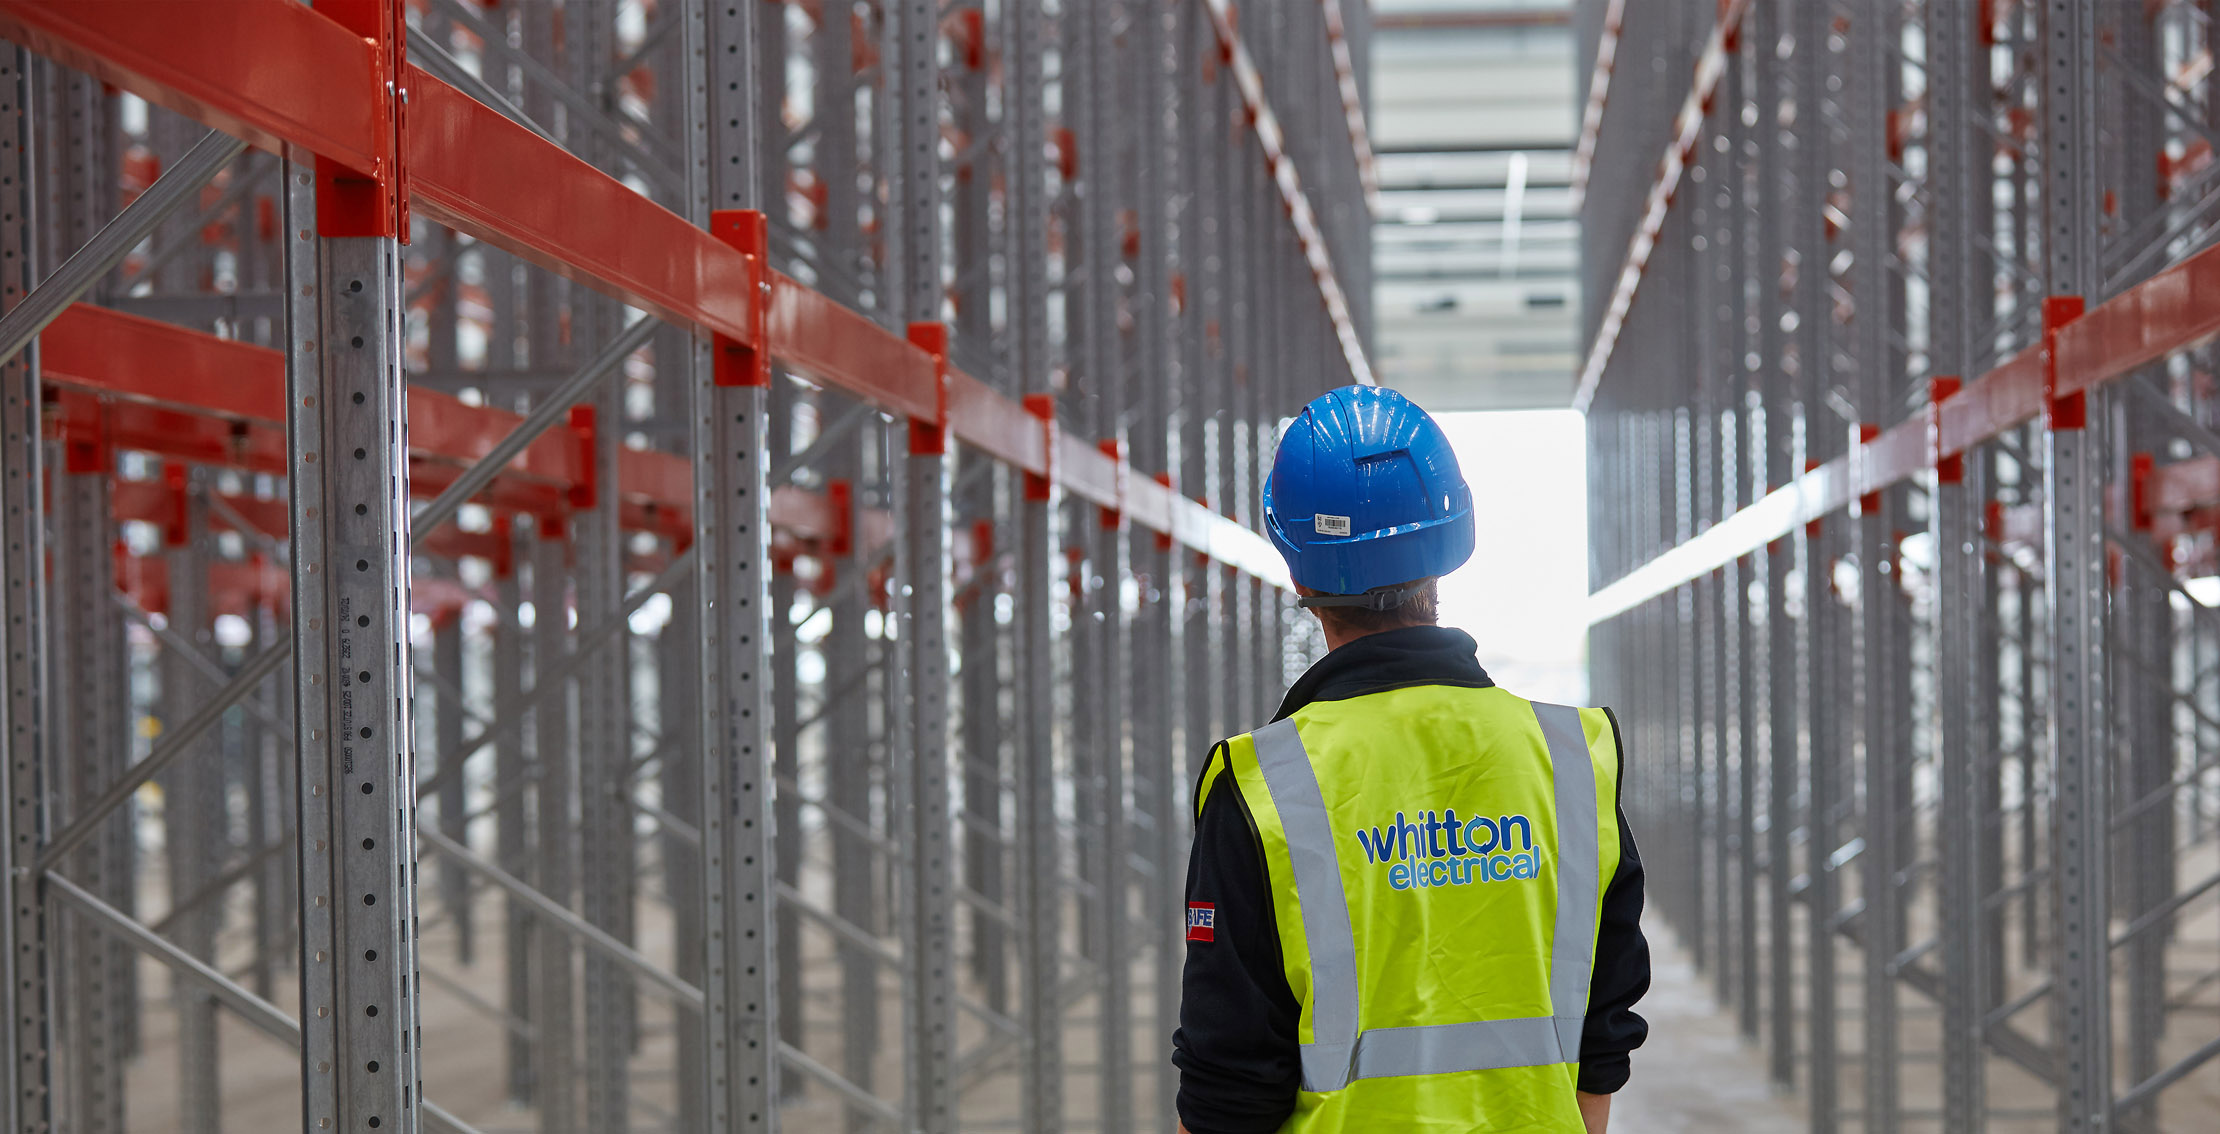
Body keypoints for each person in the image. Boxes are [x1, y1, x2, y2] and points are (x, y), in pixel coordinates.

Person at [1171, 385, 1651, 1134]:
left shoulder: (1261, 788)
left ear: (1298, 573)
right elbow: (1605, 1028)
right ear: (1452, 546)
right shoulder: (1572, 756)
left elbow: (1227, 1080)